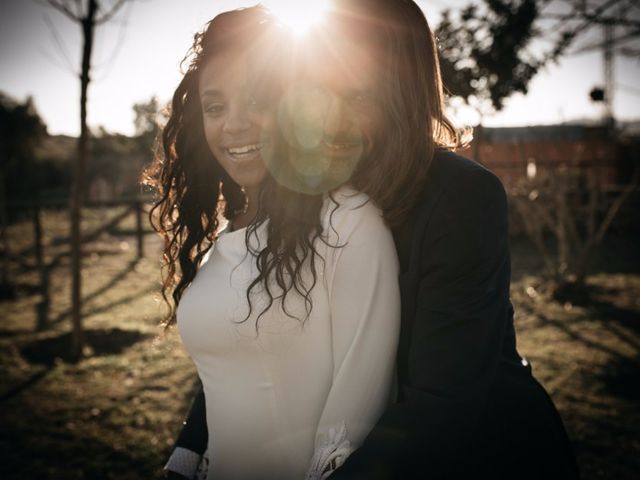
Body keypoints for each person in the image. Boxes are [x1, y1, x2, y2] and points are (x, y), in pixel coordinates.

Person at [167, 0, 581, 479]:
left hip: (478, 450)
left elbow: (442, 398)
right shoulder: (304, 186)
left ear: (401, 93)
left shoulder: (459, 195)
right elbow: (253, 332)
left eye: (357, 94)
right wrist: (192, 448)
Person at [148, 5, 401, 480]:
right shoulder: (225, 232)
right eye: (216, 107)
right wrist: (182, 464)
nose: (234, 125)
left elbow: (354, 415)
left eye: (258, 101)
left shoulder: (348, 222)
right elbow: (221, 386)